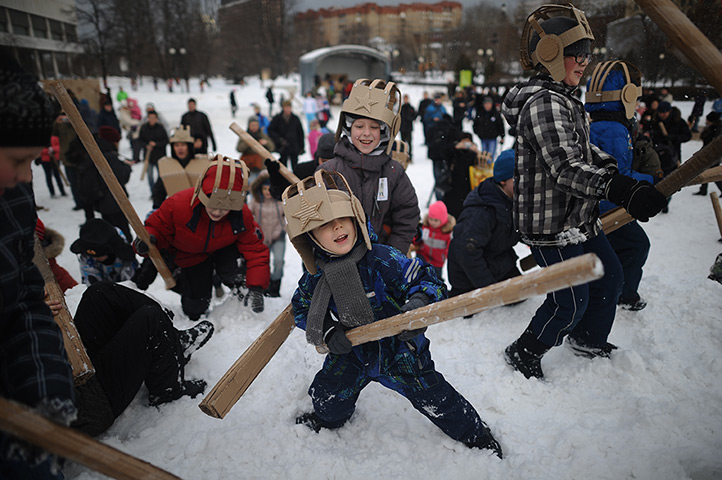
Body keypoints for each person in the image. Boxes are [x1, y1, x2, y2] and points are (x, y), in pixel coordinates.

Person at [284, 170, 502, 458]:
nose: (337, 227)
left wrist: (418, 305)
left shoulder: (384, 259)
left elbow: (428, 280)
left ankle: (475, 433)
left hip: (401, 349)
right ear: (310, 238)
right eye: (325, 225)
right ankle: (329, 418)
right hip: (352, 351)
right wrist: (328, 332)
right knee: (328, 398)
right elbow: (301, 307)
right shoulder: (316, 278)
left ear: (356, 219)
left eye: (342, 219)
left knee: (436, 398)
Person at [500, 4, 666, 380]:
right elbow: (566, 167)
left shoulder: (566, 98)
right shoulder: (544, 104)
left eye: (589, 54)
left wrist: (625, 181)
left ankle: (587, 339)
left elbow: (587, 151)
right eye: (577, 54)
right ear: (552, 56)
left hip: (578, 216)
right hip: (549, 223)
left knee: (609, 276)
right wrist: (615, 186)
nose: (585, 62)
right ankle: (524, 351)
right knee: (569, 300)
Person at [0, 54, 76, 479]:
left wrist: (45, 394)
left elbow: (24, 301)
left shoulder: (12, 199)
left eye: (34, 160)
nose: (27, 177)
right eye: (17, 160)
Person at [69, 282, 213, 437]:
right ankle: (168, 391)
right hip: (84, 404)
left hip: (69, 363)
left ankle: (172, 341)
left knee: (100, 294)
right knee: (151, 320)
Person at [136, 156, 270, 320]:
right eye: (213, 205)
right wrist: (148, 240)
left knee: (236, 271)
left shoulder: (242, 215)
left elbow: (255, 249)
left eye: (225, 209)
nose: (217, 212)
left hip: (223, 252)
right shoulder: (177, 205)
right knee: (195, 305)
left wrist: (255, 287)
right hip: (190, 256)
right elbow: (156, 228)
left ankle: (241, 292)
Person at [318, 78, 420, 253]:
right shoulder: (328, 172)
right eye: (359, 126)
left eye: (374, 127)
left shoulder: (394, 172)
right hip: (339, 264)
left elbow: (407, 216)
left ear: (383, 133)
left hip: (382, 263)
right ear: (348, 129)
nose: (366, 133)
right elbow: (317, 221)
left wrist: (389, 255)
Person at [585, 60, 653, 311]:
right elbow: (617, 174)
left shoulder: (604, 123)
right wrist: (651, 181)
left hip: (604, 202)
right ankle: (624, 293)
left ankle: (613, 287)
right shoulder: (613, 129)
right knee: (636, 245)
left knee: (616, 247)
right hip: (609, 205)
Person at [447, 149, 521, 297]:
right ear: (503, 181)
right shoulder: (481, 212)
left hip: (500, 265)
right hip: (470, 281)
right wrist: (491, 291)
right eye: (518, 178)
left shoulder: (514, 199)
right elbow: (468, 252)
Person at [68, 125, 132, 240]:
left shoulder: (95, 152)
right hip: (114, 201)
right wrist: (127, 167)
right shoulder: (109, 156)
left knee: (111, 232)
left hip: (103, 202)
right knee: (123, 234)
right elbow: (121, 177)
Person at [249, 171, 286, 297]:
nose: (267, 192)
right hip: (261, 238)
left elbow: (290, 217)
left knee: (279, 261)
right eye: (264, 188)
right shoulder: (255, 202)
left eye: (270, 189)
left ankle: (275, 285)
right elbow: (248, 217)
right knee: (263, 263)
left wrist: (284, 229)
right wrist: (254, 231)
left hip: (278, 236)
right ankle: (265, 285)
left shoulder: (280, 202)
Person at [70, 218, 139, 285]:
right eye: (92, 256)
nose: (95, 258)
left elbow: (130, 283)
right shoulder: (86, 251)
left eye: (99, 255)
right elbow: (88, 275)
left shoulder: (122, 251)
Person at [442, 132, 481, 218]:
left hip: (469, 187)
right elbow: (445, 153)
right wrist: (455, 147)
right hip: (454, 186)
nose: (466, 145)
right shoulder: (454, 152)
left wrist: (477, 151)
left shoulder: (474, 154)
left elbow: (483, 165)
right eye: (464, 142)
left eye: (468, 142)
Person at [413, 200, 454, 281]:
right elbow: (419, 239)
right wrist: (415, 240)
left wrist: (447, 255)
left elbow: (450, 248)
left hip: (437, 262)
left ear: (443, 219)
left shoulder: (446, 233)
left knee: (435, 279)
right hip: (423, 256)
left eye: (436, 220)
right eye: (431, 219)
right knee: (418, 276)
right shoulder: (425, 227)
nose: (432, 222)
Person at [51, 111, 82, 209]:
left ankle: (87, 202)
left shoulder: (76, 124)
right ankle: (78, 203)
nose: (65, 119)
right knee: (73, 182)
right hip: (67, 158)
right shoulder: (60, 126)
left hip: (79, 157)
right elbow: (53, 133)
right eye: (63, 116)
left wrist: (73, 120)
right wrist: (57, 122)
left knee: (82, 181)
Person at [236, 116, 275, 183]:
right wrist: (248, 142)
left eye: (256, 125)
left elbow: (272, 148)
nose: (254, 127)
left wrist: (266, 143)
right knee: (251, 185)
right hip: (250, 167)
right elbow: (239, 148)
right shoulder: (244, 136)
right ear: (249, 126)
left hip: (262, 167)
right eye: (252, 125)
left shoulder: (263, 135)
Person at [268, 100, 305, 171]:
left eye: (289, 107)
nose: (288, 109)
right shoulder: (277, 118)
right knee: (283, 167)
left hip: (294, 146)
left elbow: (300, 133)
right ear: (283, 108)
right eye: (286, 107)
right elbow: (271, 130)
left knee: (295, 167)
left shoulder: (295, 118)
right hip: (282, 147)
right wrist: (279, 139)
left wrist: (301, 147)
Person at [138, 110, 170, 192]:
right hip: (148, 157)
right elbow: (139, 141)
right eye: (150, 118)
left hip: (159, 156)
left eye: (153, 118)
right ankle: (153, 191)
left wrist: (156, 144)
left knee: (161, 175)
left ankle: (160, 191)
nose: (152, 120)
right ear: (148, 118)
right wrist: (146, 145)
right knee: (150, 176)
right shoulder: (144, 128)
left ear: (156, 119)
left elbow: (166, 141)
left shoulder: (161, 128)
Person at [693, 112, 722, 196]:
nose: (706, 121)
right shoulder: (712, 128)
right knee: (705, 172)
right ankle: (703, 189)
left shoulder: (717, 129)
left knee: (713, 173)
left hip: (713, 155)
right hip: (708, 154)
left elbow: (712, 144)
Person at [400, 94, 417, 158]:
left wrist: (410, 118)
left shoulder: (411, 108)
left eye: (406, 99)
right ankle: (403, 155)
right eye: (405, 99)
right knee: (403, 143)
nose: (406, 100)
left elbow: (415, 116)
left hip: (409, 128)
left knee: (409, 142)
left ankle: (410, 156)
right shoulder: (401, 107)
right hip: (402, 128)